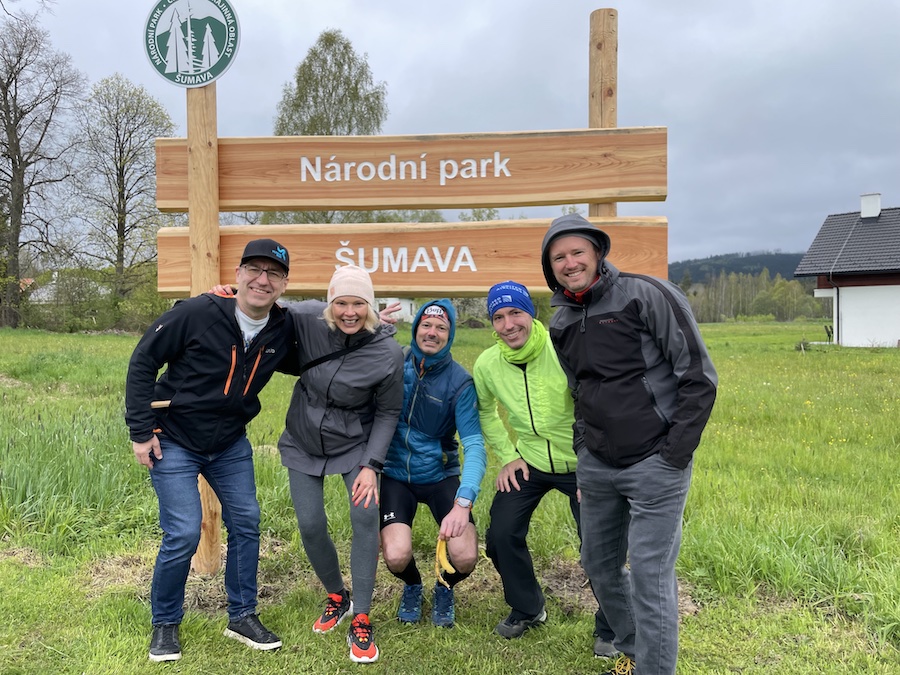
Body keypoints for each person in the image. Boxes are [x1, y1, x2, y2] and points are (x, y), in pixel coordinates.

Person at [540, 214, 718, 675]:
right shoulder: (561, 321)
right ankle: (638, 651)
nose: (569, 263)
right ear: (550, 267)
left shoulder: (646, 294)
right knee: (598, 565)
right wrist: (585, 454)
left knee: (649, 578)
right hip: (598, 466)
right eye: (558, 257)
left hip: (656, 462)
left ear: (598, 253)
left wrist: (673, 456)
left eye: (577, 252)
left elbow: (699, 378)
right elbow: (579, 391)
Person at [125, 238, 293, 663]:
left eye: (273, 273)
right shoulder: (197, 313)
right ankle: (165, 623)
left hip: (229, 443)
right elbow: (143, 361)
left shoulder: (282, 328)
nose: (262, 280)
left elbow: (327, 333)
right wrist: (141, 432)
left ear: (283, 284)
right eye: (254, 270)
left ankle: (242, 616)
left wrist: (377, 328)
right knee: (183, 532)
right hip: (174, 438)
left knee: (247, 522)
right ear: (238, 275)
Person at [472, 281, 616, 656]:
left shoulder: (563, 346)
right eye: (498, 317)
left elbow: (599, 406)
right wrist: (508, 456)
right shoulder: (487, 364)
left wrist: (594, 466)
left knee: (599, 546)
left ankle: (611, 625)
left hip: (583, 462)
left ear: (531, 313)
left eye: (515, 313)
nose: (508, 325)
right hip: (530, 461)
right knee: (501, 534)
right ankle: (528, 608)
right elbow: (485, 412)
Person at [278, 264, 403, 664]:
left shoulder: (387, 353)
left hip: (355, 443)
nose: (350, 312)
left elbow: (389, 412)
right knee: (310, 524)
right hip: (302, 439)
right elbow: (262, 305)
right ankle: (337, 595)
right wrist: (225, 294)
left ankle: (361, 615)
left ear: (371, 306)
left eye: (359, 304)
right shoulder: (307, 318)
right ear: (330, 303)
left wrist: (372, 465)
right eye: (342, 303)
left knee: (364, 517)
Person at [379, 299, 487, 629]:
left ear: (450, 335)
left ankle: (445, 586)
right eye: (426, 324)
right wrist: (374, 330)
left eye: (441, 327)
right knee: (396, 555)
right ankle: (413, 585)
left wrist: (463, 502)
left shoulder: (460, 382)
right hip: (395, 474)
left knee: (465, 556)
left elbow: (474, 445)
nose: (432, 332)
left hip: (440, 475)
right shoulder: (393, 361)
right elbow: (350, 356)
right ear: (415, 329)